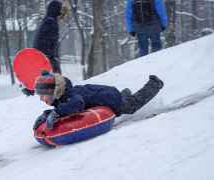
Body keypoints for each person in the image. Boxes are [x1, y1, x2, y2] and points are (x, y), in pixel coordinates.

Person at [33, 70, 164, 130]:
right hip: (104, 93)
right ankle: (125, 93)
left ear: (54, 92)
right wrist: (46, 115)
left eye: (43, 95)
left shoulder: (70, 95)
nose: (41, 99)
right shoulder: (61, 95)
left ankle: (155, 84)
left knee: (131, 106)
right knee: (125, 98)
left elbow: (76, 104)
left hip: (110, 99)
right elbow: (60, 107)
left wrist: (56, 113)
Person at [22, 0, 70, 96]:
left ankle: (31, 89)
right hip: (45, 51)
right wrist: (50, 55)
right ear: (56, 10)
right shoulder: (50, 22)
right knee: (55, 72)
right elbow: (47, 40)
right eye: (60, 11)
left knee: (44, 72)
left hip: (42, 51)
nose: (61, 14)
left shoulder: (48, 20)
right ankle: (61, 92)